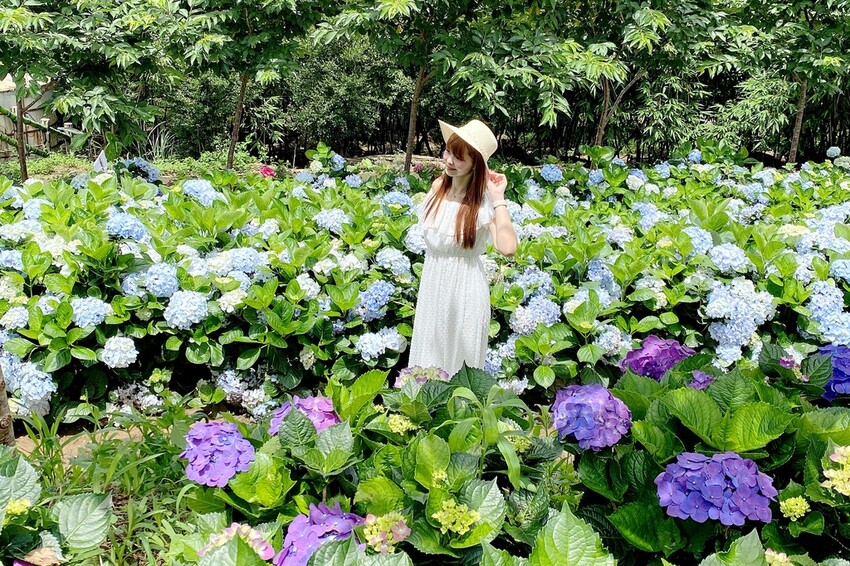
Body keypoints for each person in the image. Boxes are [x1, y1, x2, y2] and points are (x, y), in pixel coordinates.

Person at [407, 119, 517, 376]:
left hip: (465, 287)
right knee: (429, 359)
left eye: (459, 158)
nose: (449, 161)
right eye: (448, 152)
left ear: (475, 165)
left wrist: (498, 197)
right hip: (434, 284)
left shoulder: (482, 202)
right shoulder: (437, 188)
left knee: (460, 362)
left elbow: (508, 247)